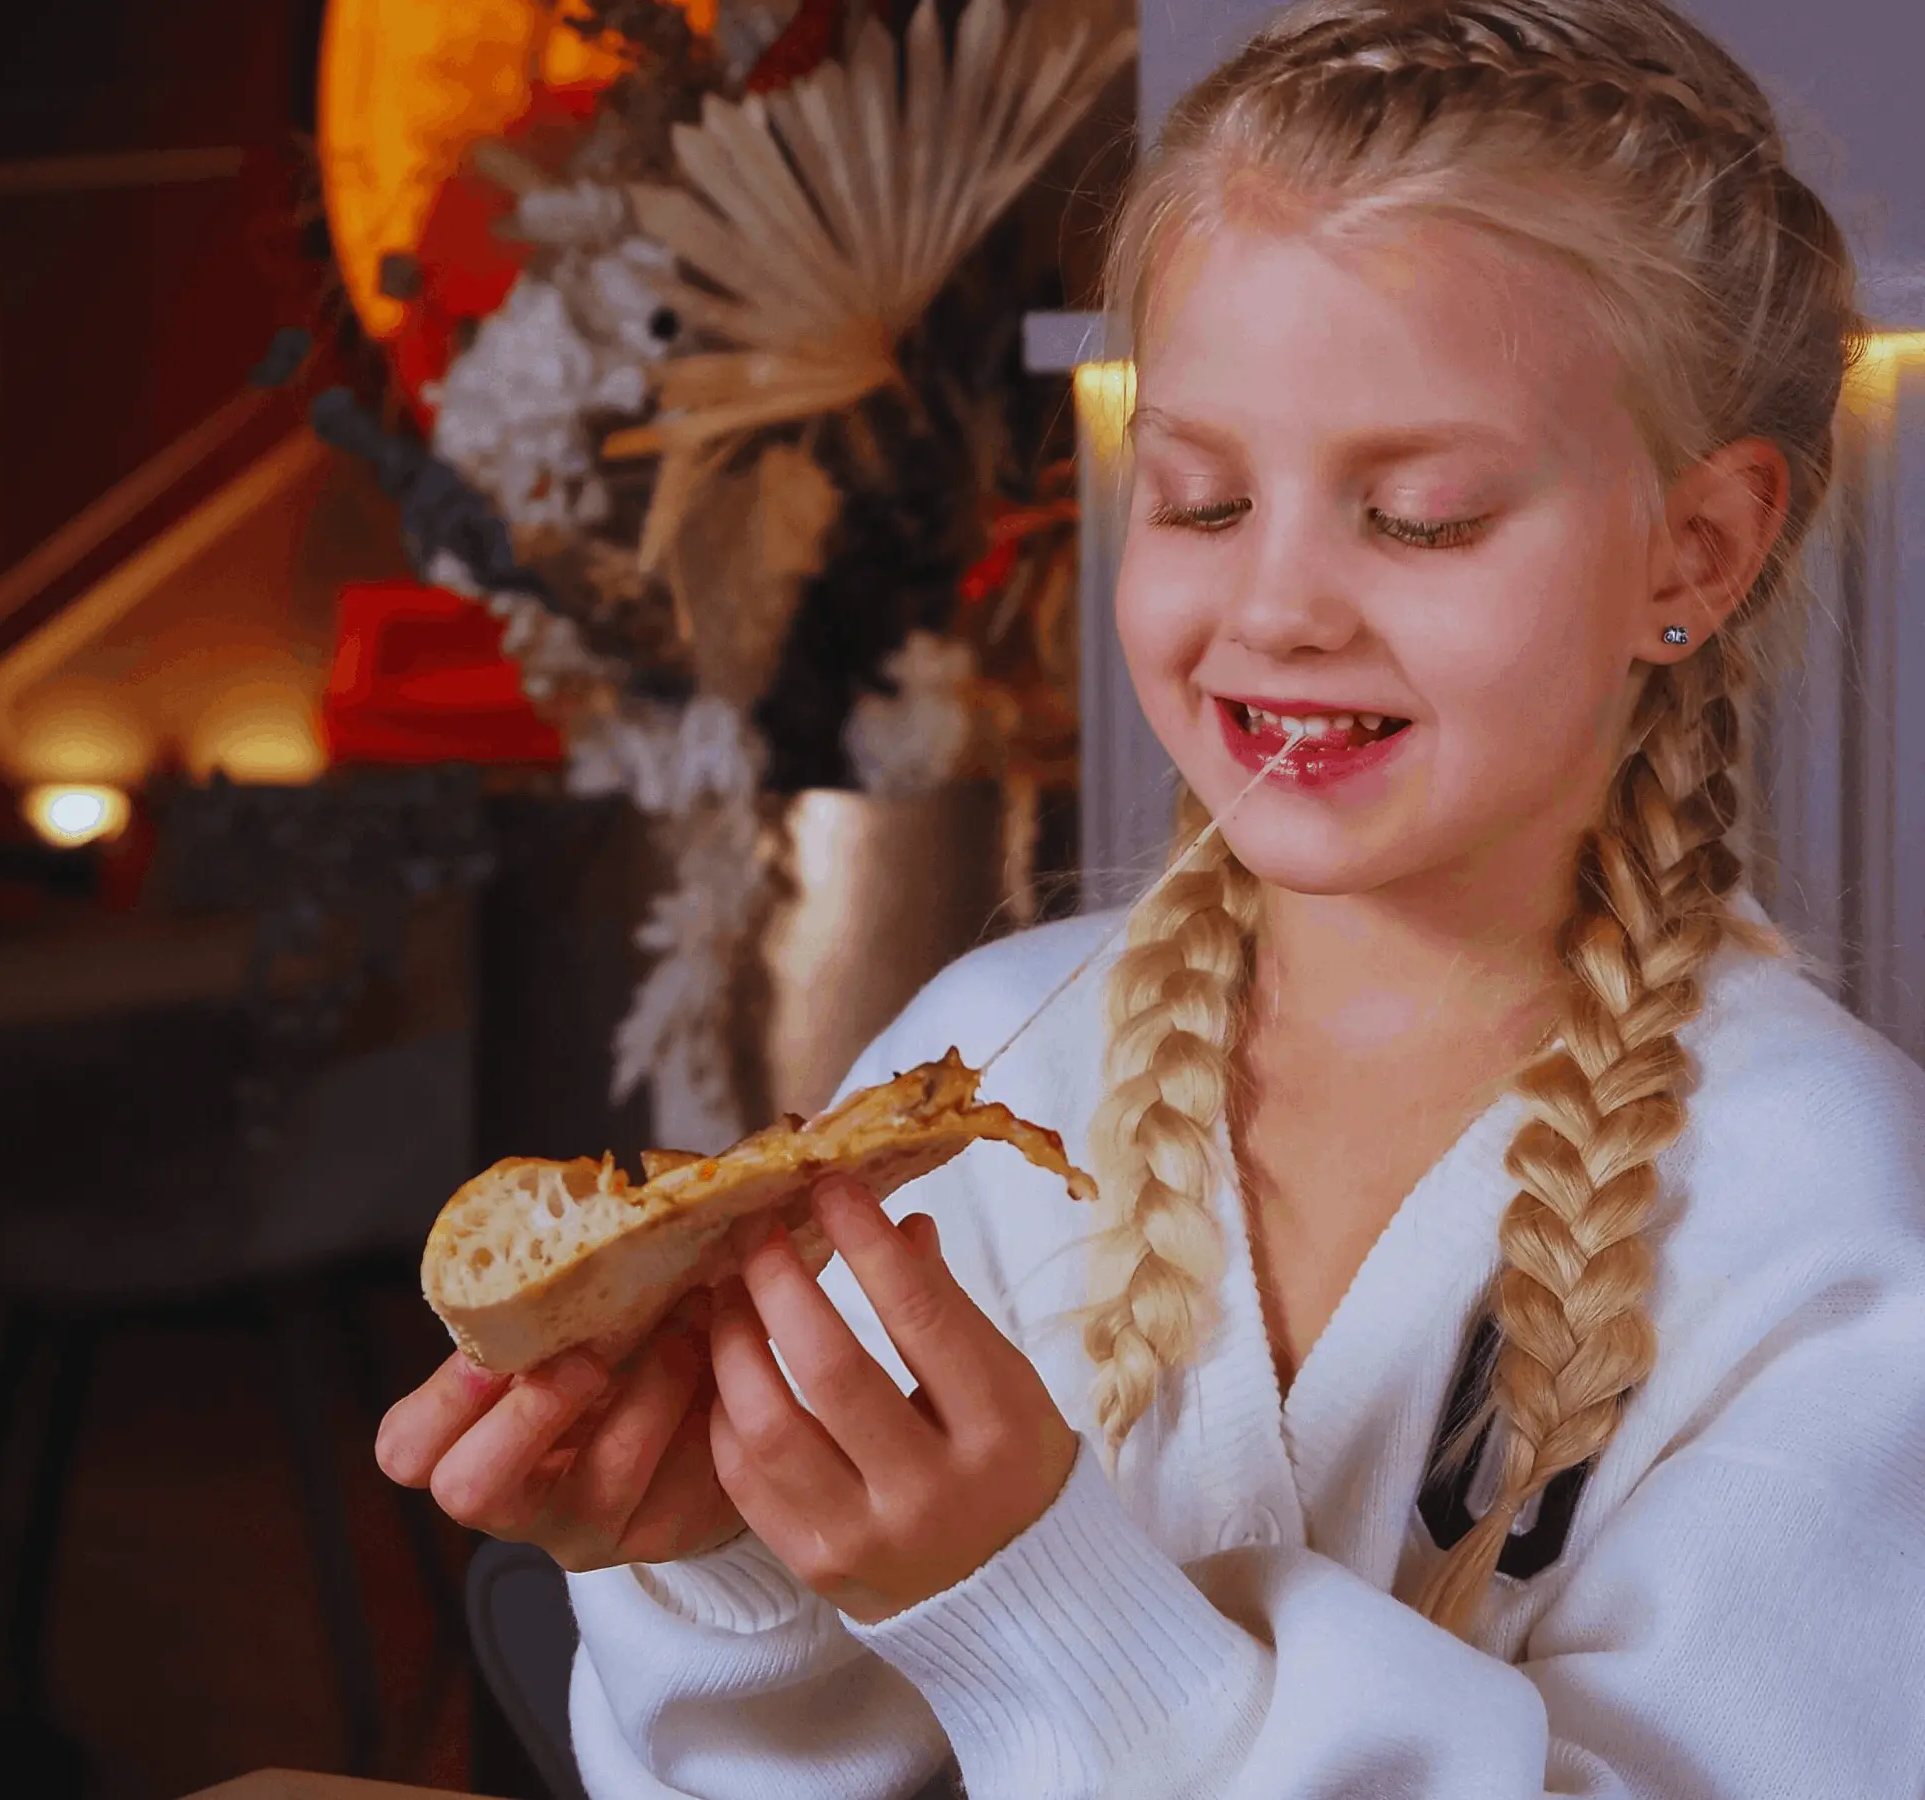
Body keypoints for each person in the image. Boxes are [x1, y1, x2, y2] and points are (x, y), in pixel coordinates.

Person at [377, 2, 1925, 1794]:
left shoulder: (1841, 1228)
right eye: (1198, 500)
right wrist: (731, 1559)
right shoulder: (971, 1072)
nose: (1275, 610)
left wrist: (1032, 1604)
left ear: (1700, 546)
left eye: (1419, 517)